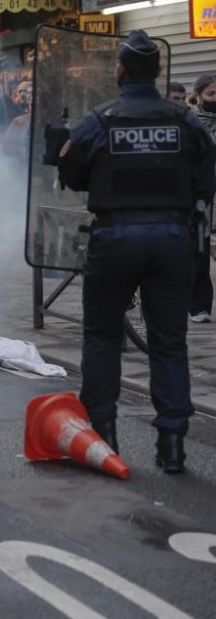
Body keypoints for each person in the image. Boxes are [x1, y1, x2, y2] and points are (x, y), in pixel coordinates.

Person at [57, 30, 215, 474]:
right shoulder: (186, 122)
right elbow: (206, 179)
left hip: (115, 238)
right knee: (169, 343)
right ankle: (172, 445)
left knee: (102, 336)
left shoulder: (101, 120)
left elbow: (71, 173)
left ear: (120, 71)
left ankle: (103, 436)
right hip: (171, 239)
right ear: (159, 72)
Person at [187, 73, 216, 323]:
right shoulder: (191, 123)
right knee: (201, 249)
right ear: (197, 95)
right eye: (211, 94)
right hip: (203, 194)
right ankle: (199, 305)